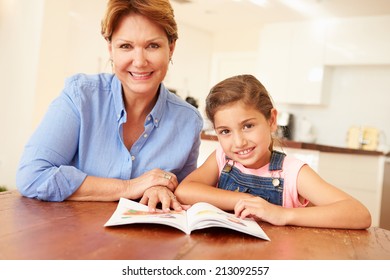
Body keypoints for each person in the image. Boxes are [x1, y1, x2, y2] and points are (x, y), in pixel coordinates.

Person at [16, 0, 203, 212]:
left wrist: (163, 191)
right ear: (111, 49)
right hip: (73, 237)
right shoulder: (80, 96)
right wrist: (131, 187)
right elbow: (32, 175)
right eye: (126, 46)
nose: (140, 61)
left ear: (171, 48)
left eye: (153, 45)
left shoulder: (188, 121)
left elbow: (184, 192)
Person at [175, 74, 371, 229]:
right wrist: (247, 200)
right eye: (225, 131)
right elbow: (185, 190)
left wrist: (282, 214)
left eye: (248, 126)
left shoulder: (292, 172)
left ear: (271, 120)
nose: (239, 142)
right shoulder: (222, 158)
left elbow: (358, 213)